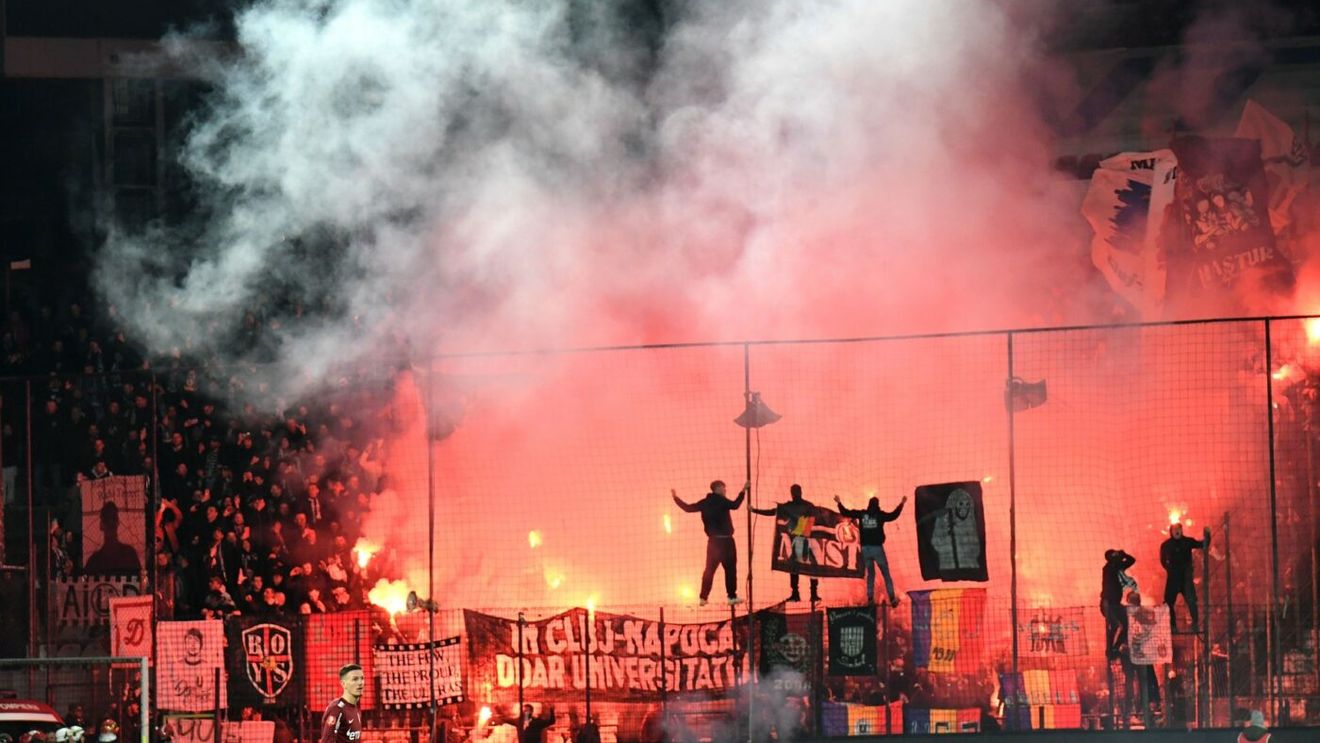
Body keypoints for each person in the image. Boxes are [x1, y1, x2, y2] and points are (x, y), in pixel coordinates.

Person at [671, 480, 748, 606]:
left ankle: (703, 597)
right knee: (730, 570)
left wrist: (675, 498)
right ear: (718, 488)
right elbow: (735, 505)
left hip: (713, 542)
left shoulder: (704, 503)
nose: (725, 490)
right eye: (724, 488)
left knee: (709, 570)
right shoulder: (722, 501)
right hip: (726, 541)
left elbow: (687, 508)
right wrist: (743, 490)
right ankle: (731, 596)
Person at [835, 494, 905, 607]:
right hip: (877, 548)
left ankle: (870, 599)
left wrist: (839, 503)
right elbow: (893, 516)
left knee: (871, 574)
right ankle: (892, 598)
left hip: (865, 549)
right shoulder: (880, 515)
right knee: (886, 574)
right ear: (878, 505)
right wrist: (901, 504)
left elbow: (846, 512)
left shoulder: (862, 514)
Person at [752, 484, 818, 602]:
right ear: (801, 492)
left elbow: (773, 512)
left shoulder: (788, 507)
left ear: (791, 493)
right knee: (812, 566)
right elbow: (819, 517)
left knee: (794, 567)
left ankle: (796, 594)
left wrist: (755, 510)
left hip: (794, 540)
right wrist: (806, 532)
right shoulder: (808, 505)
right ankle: (813, 594)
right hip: (806, 540)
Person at [1159, 524, 1210, 631]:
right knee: (1168, 601)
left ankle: (1195, 624)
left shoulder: (1188, 541)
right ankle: (1173, 625)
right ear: (1171, 531)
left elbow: (1203, 545)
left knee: (1191, 601)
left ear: (1182, 530)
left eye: (1179, 529)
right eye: (1175, 530)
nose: (1177, 531)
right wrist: (1169, 569)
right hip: (1173, 578)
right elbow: (1162, 560)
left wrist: (1208, 534)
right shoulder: (1166, 545)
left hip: (1185, 579)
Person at [84, 501, 142, 574]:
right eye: (107, 519)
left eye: (113, 519)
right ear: (118, 523)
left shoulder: (94, 561)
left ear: (101, 525)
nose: (110, 522)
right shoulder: (130, 554)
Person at [1100, 549, 1136, 658]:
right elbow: (1129, 561)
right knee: (1115, 625)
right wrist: (1122, 555)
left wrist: (1123, 555)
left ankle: (1115, 648)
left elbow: (1131, 560)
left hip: (1115, 604)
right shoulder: (1109, 568)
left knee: (1126, 625)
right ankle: (1110, 650)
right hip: (1107, 603)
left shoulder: (1116, 567)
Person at [319, 664, 365, 743]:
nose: (360, 683)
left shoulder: (355, 709)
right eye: (355, 679)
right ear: (343, 684)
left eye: (362, 678)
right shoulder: (336, 709)